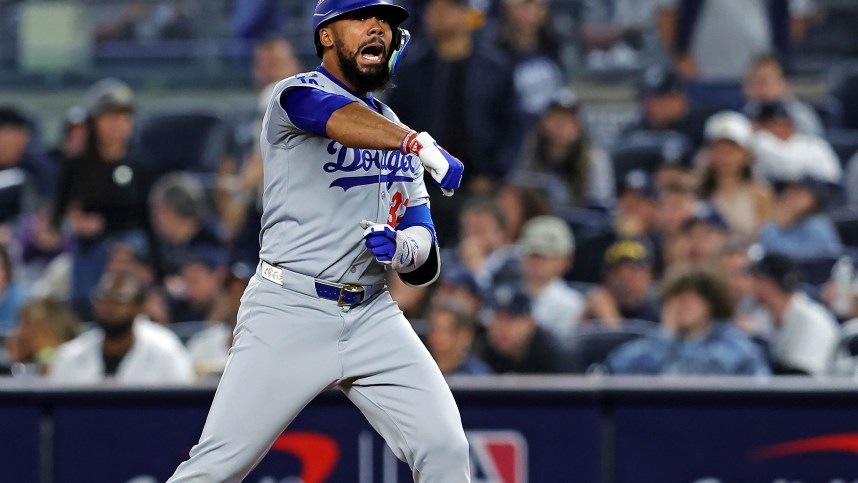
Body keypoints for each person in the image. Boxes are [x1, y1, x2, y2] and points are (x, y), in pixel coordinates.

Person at [168, 0, 470, 480]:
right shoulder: (294, 95)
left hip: (373, 314)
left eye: (386, 24)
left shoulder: (394, 126)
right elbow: (331, 114)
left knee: (446, 448)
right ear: (327, 36)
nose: (378, 29)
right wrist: (415, 142)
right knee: (217, 467)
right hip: (290, 307)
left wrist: (404, 250)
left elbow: (425, 250)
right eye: (362, 19)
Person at [50, 78, 158, 320]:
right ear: (94, 122)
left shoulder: (141, 165)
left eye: (123, 118)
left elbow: (149, 220)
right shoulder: (76, 164)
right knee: (84, 301)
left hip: (131, 244)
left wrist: (157, 269)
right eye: (109, 118)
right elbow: (59, 214)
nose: (117, 125)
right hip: (88, 246)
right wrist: (75, 222)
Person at [607, 263, 770, 375]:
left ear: (710, 303)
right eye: (676, 296)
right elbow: (616, 368)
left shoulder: (735, 346)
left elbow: (761, 391)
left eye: (692, 297)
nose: (683, 304)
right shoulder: (654, 344)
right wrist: (667, 336)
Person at [49, 270, 195, 384]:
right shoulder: (70, 355)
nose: (109, 307)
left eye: (120, 300)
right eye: (103, 298)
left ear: (140, 307)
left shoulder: (166, 351)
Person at [512, 88, 615, 208]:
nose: (562, 125)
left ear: (579, 127)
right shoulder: (528, 151)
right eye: (557, 118)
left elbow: (600, 208)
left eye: (569, 120)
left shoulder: (595, 160)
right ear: (544, 122)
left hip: (580, 223)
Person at [749, 252, 839, 376]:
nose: (749, 286)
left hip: (821, 393)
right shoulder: (763, 315)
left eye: (755, 280)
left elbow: (804, 379)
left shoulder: (814, 321)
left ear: (768, 285)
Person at [697, 111, 773, 240]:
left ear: (746, 154)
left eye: (733, 149)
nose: (726, 156)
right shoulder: (696, 192)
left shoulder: (759, 194)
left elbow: (766, 237)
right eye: (719, 149)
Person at [517, 215, 585, 340]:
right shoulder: (505, 292)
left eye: (545, 256)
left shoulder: (571, 303)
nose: (536, 262)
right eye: (532, 255)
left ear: (564, 261)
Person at [477, 284, 570, 373]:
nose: (502, 327)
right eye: (497, 318)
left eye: (511, 319)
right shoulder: (483, 348)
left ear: (531, 322)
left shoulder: (554, 355)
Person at [749, 100, 842, 183]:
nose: (781, 128)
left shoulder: (814, 146)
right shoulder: (753, 145)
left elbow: (833, 178)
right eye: (772, 124)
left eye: (784, 124)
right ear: (759, 125)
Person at [758, 176, 844, 259]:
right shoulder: (780, 222)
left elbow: (792, 257)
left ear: (813, 200)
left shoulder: (816, 225)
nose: (792, 198)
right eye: (790, 193)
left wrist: (774, 225)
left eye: (800, 194)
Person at [583, 238, 660, 327]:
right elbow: (575, 337)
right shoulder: (596, 301)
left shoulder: (656, 312)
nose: (638, 276)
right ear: (610, 275)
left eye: (643, 269)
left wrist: (611, 320)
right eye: (631, 269)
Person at [742, 53, 823, 136]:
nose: (761, 88)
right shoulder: (742, 117)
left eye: (766, 81)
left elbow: (814, 143)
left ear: (783, 84)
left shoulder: (801, 116)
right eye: (756, 81)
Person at [4, 299, 81, 376]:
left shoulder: (68, 359)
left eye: (28, 324)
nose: (22, 332)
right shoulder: (24, 363)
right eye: (22, 324)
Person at [425, 298, 493, 375]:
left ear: (464, 335)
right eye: (433, 329)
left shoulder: (479, 377)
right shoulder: (419, 369)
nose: (436, 336)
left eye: (444, 330)